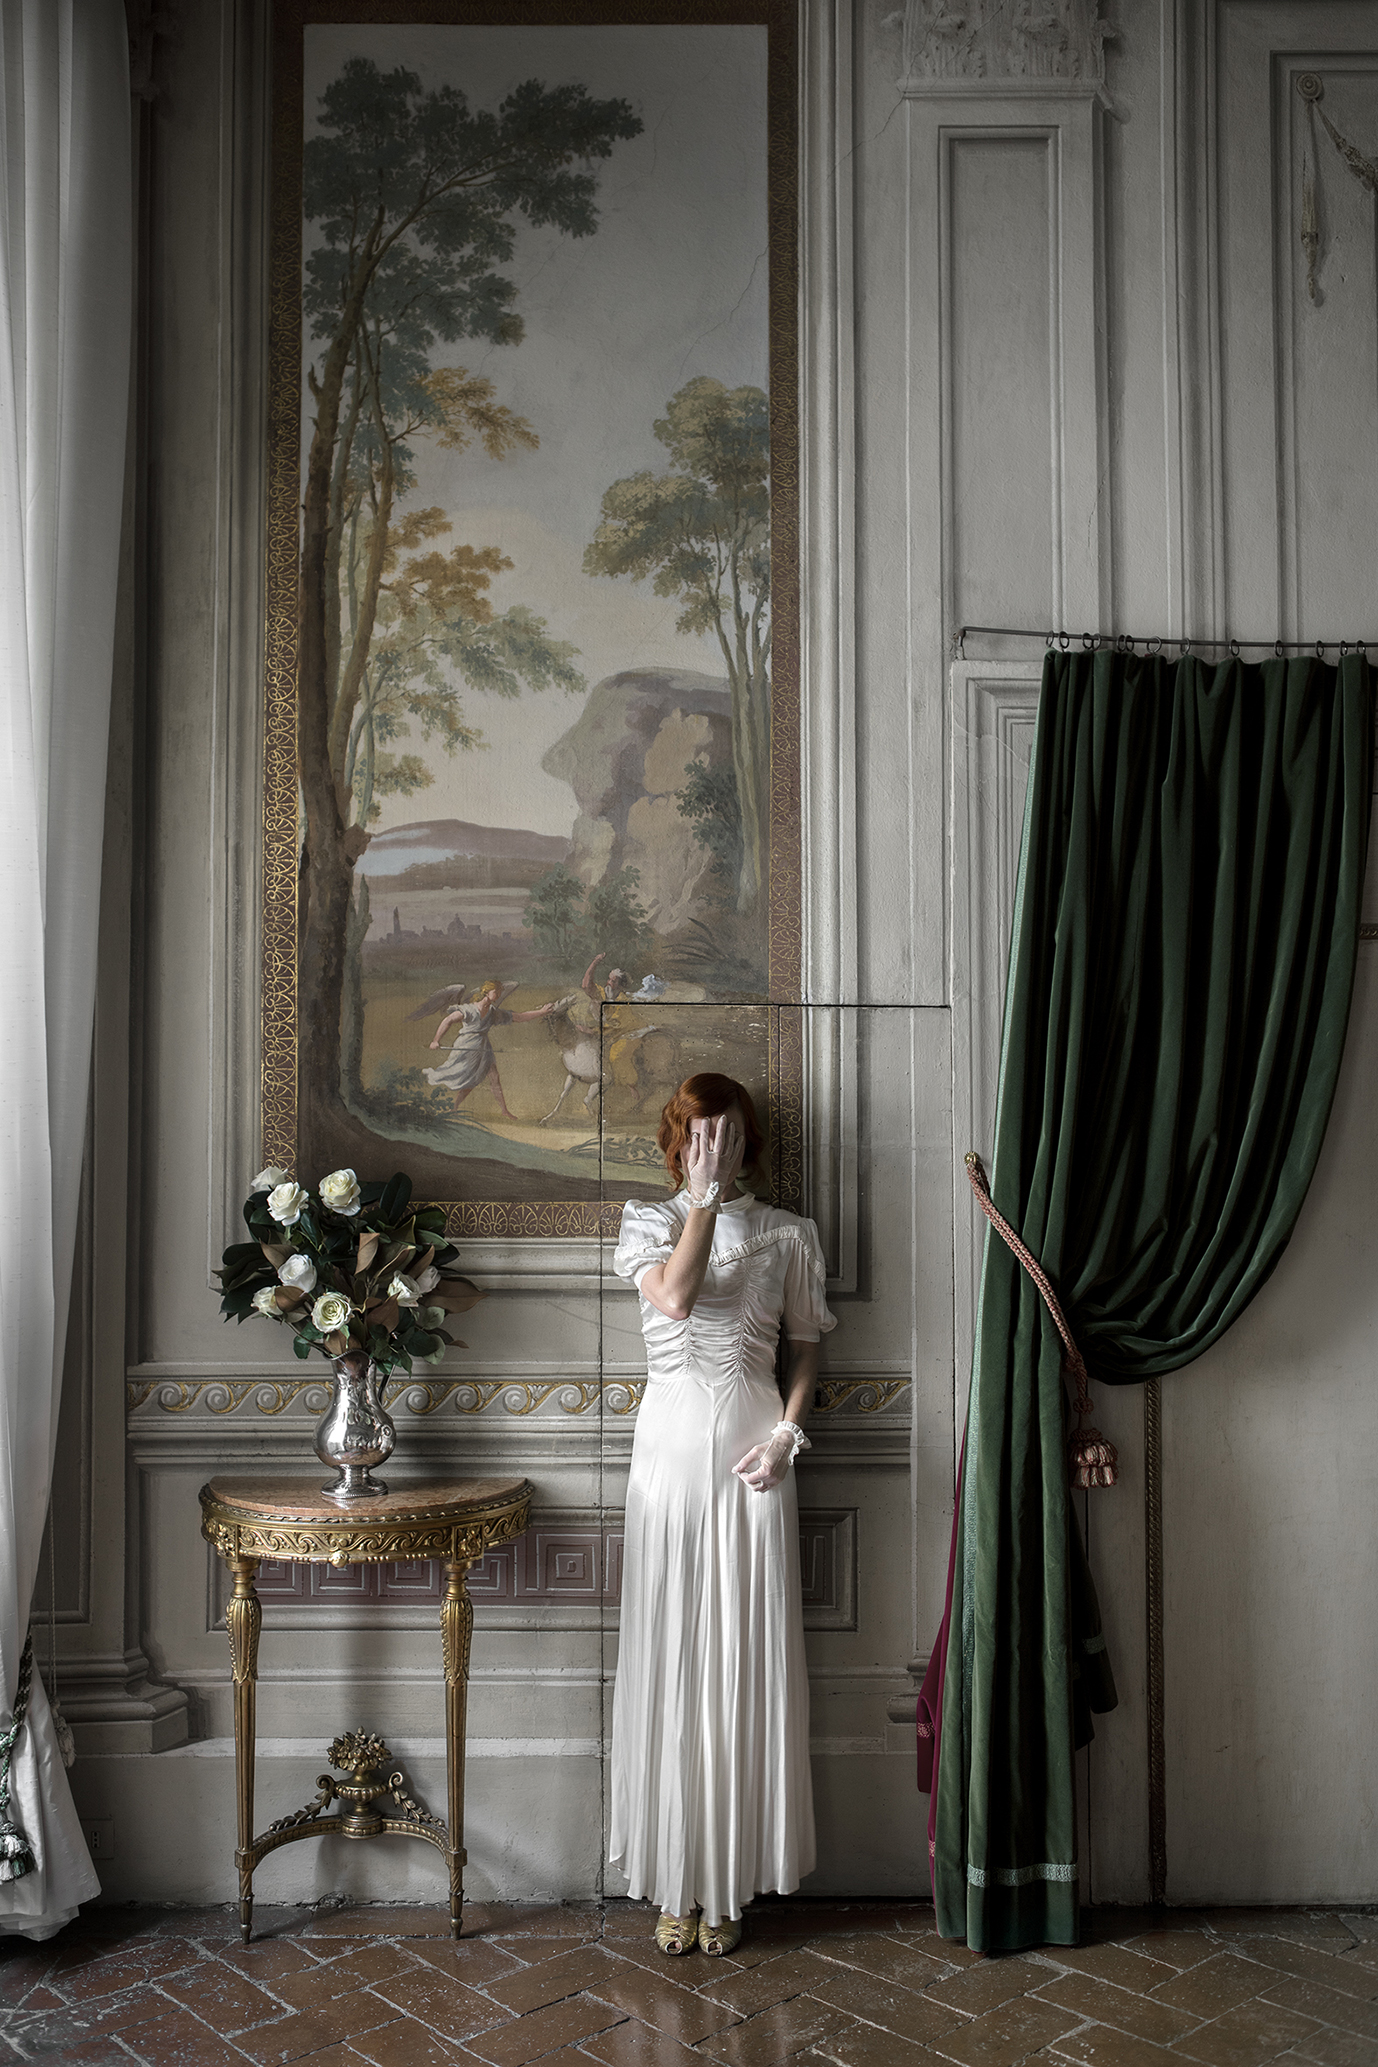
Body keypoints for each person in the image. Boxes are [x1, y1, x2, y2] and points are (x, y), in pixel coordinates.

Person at [610, 1073, 836, 1956]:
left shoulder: (790, 1232)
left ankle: (729, 1884)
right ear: (678, 1142)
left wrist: (786, 1435)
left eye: (729, 1135)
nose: (715, 1149)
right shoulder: (648, 1222)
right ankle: (675, 1882)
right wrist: (700, 1200)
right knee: (673, 1653)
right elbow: (674, 1296)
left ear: (749, 1142)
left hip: (753, 1454)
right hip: (666, 1457)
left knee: (740, 1656)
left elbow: (806, 1349)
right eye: (700, 1134)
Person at [422, 978, 554, 1118]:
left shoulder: (493, 1012)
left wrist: (541, 1012)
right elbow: (448, 1020)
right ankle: (451, 1107)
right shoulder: (469, 1009)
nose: (498, 995)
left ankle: (504, 1111)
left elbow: (519, 1017)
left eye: (499, 992)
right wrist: (436, 1040)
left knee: (494, 1077)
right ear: (486, 991)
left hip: (484, 1048)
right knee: (466, 1079)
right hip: (467, 1047)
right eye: (496, 992)